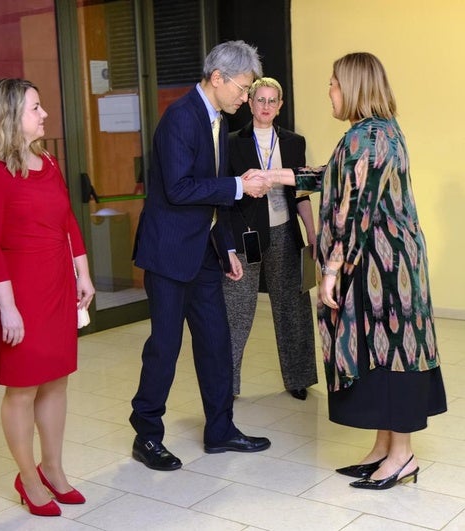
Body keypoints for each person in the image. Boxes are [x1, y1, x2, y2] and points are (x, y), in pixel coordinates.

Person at [246, 52, 447, 490]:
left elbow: (351, 212)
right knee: (380, 354)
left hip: (382, 269)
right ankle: (383, 448)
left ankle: (402, 456)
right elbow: (337, 178)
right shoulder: (374, 133)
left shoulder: (367, 138)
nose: (330, 92)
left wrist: (330, 273)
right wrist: (277, 175)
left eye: (334, 84)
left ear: (354, 87)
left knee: (394, 356)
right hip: (384, 263)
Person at [129, 40, 273, 472]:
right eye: (244, 89)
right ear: (218, 79)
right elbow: (179, 188)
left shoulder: (216, 121)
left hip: (204, 253)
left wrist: (227, 246)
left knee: (215, 342)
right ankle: (147, 435)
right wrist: (238, 186)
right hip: (169, 255)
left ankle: (220, 429)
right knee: (165, 347)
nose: (246, 99)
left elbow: (214, 197)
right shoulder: (179, 118)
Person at [0, 78, 94, 516]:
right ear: (8, 118)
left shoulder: (50, 163)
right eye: (35, 108)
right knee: (22, 388)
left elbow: (68, 222)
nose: (43, 115)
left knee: (56, 379)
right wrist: (7, 309)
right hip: (18, 295)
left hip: (57, 285)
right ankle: (27, 477)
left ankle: (53, 470)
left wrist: (84, 273)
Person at [225, 77, 317, 400]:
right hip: (246, 234)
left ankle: (298, 378)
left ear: (280, 106)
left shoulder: (294, 143)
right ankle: (227, 385)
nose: (265, 106)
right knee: (236, 310)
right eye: (259, 100)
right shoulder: (232, 142)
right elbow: (227, 194)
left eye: (271, 101)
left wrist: (311, 232)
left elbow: (302, 192)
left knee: (292, 306)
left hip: (284, 231)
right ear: (250, 104)